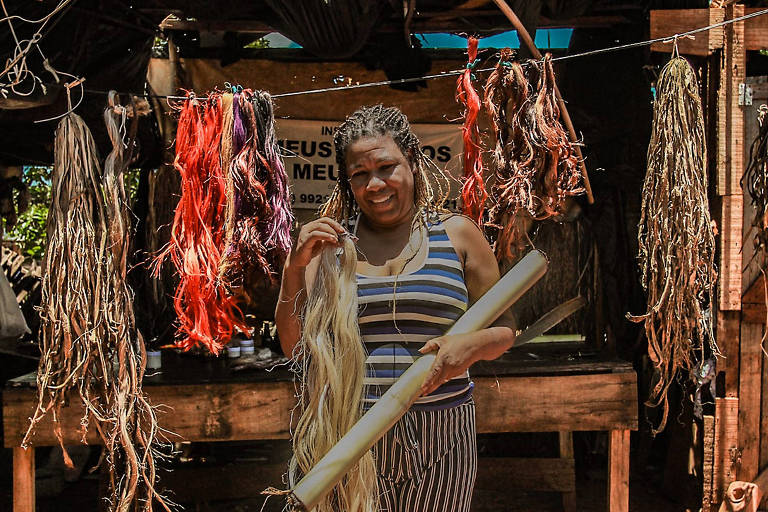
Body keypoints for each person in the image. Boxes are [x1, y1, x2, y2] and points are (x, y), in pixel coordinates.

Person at [275, 104, 517, 512]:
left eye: (387, 167)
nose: (375, 184)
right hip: (350, 432)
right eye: (360, 174)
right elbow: (295, 348)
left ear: (414, 164)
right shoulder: (329, 251)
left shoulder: (457, 235)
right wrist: (294, 267)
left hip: (442, 432)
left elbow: (507, 327)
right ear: (347, 182)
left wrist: (472, 346)